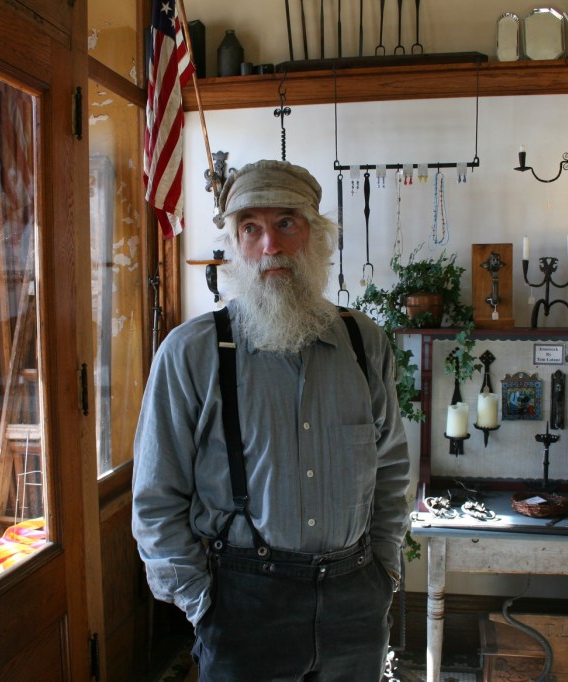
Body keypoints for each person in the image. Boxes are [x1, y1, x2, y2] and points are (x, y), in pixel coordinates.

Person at [132, 159, 411, 681]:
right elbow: (155, 501)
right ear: (235, 246)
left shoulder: (364, 343)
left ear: (317, 236)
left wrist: (382, 572)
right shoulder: (190, 353)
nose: (271, 246)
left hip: (355, 603)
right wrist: (202, 604)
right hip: (242, 608)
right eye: (250, 228)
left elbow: (392, 468)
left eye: (287, 222)